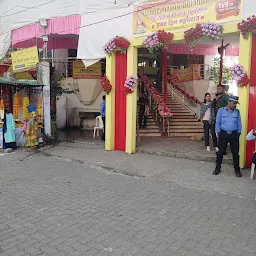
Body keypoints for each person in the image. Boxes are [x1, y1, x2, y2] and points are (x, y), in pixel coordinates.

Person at [213, 96, 242, 177]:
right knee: (220, 153)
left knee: (235, 154)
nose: (235, 105)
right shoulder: (221, 111)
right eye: (234, 103)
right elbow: (217, 122)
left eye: (236, 103)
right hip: (223, 134)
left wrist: (238, 133)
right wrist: (219, 132)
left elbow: (239, 123)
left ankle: (237, 170)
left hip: (234, 135)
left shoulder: (237, 112)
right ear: (229, 102)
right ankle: (217, 168)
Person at [212, 84, 230, 155]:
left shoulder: (226, 96)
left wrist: (223, 110)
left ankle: (223, 151)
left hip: (224, 118)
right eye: (217, 89)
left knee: (223, 134)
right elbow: (213, 106)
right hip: (218, 118)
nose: (218, 90)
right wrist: (215, 99)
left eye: (220, 89)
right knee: (219, 134)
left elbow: (230, 105)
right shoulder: (218, 97)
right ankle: (221, 150)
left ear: (223, 89)